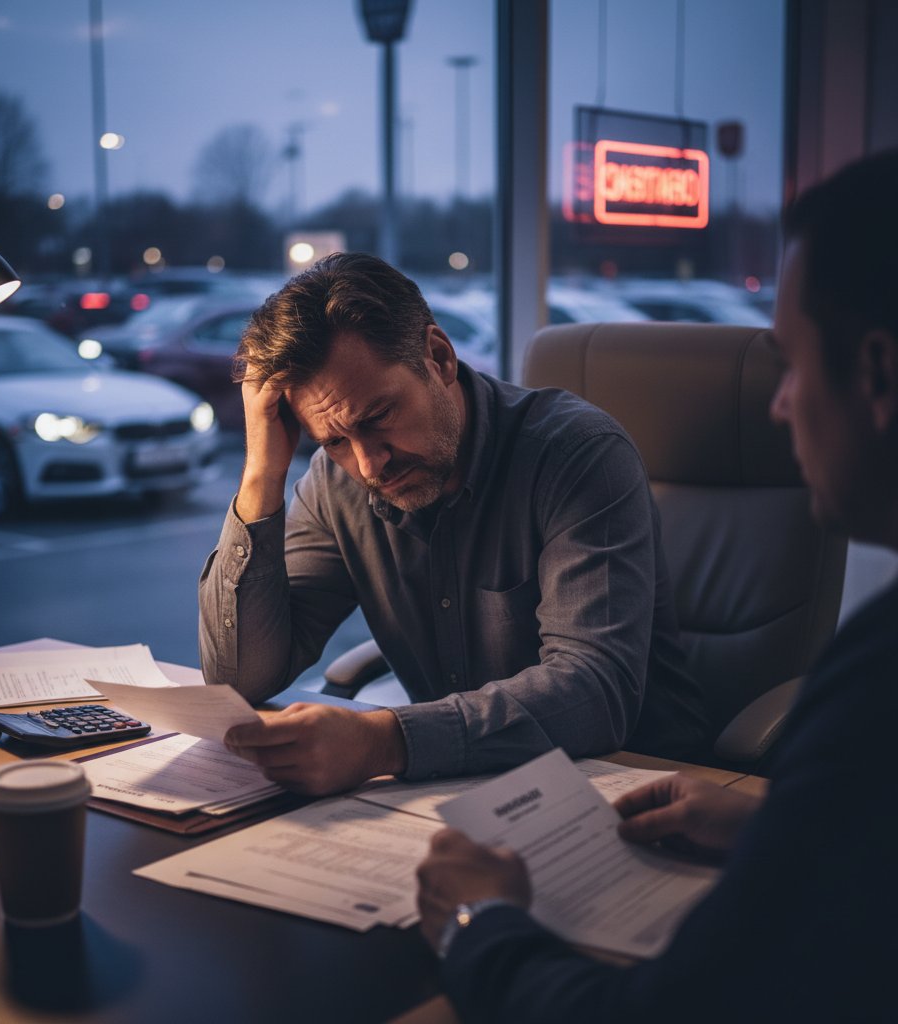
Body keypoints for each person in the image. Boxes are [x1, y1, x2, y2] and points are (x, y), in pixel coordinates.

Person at [415, 149, 898, 1023]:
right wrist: (776, 829)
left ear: (878, 374)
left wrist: (478, 923)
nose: (781, 406)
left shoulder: (877, 686)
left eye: (791, 365)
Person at [202, 253, 707, 796]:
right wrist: (261, 476)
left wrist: (384, 741)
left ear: (439, 358)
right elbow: (239, 679)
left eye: (378, 418)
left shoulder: (578, 456)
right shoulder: (335, 483)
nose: (369, 464)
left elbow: (594, 692)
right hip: (460, 789)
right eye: (335, 441)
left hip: (638, 786)